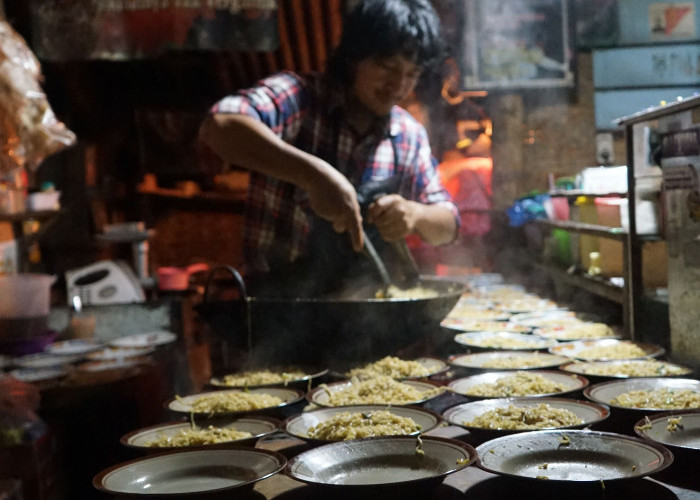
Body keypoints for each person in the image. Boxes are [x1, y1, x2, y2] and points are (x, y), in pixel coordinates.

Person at [198, 0, 459, 297]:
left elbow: (449, 224)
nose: (398, 84)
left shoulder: (407, 135)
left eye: (411, 73)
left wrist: (414, 215)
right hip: (274, 311)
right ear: (353, 57)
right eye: (387, 67)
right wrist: (314, 176)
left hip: (366, 316)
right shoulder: (300, 97)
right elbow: (218, 126)